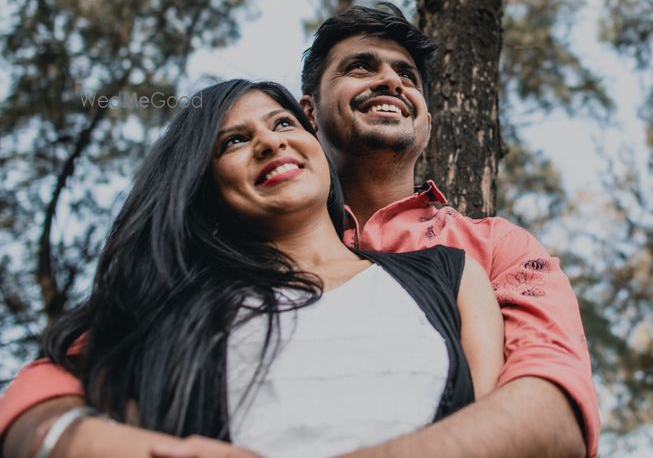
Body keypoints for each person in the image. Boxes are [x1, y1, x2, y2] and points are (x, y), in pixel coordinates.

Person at [0, 3, 599, 457]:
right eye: (361, 67)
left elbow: (550, 407)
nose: (391, 81)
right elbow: (48, 390)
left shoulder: (489, 249)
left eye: (407, 76)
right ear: (309, 114)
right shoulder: (212, 261)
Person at [7, 78, 504, 458]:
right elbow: (27, 413)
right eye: (234, 141)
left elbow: (497, 432)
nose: (270, 142)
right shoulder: (168, 304)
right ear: (203, 186)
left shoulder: (451, 276)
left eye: (283, 123)